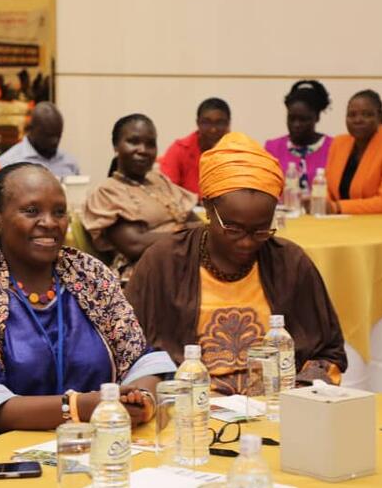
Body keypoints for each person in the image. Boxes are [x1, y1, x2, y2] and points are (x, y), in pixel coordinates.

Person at [0, 162, 172, 464]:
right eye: (32, 211)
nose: (50, 222)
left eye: (58, 212)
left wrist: (141, 399)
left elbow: (140, 359)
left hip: (94, 448)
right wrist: (80, 407)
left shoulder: (89, 274)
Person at [126, 132, 347, 395]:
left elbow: (329, 353)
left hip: (276, 408)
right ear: (207, 208)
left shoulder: (291, 263)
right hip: (191, 411)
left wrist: (300, 390)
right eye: (233, 229)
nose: (246, 242)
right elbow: (129, 348)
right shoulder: (163, 262)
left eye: (261, 231)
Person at [82, 114, 199, 281]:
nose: (143, 150)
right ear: (116, 146)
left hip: (183, 262)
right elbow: (135, 245)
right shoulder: (107, 192)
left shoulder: (160, 181)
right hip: (143, 274)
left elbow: (197, 223)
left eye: (150, 144)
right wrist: (185, 230)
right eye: (134, 141)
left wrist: (184, 231)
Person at [323, 89, 382, 215]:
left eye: (366, 114)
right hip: (336, 223)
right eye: (352, 115)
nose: (358, 120)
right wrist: (325, 204)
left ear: (379, 116)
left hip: (377, 226)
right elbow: (325, 188)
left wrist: (338, 207)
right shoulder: (339, 143)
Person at [264, 80, 333, 193]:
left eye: (303, 119)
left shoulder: (334, 147)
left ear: (317, 117)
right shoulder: (272, 148)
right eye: (292, 118)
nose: (296, 124)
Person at [159, 97, 231, 196]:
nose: (213, 129)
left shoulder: (237, 152)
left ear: (228, 124)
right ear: (198, 123)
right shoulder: (180, 149)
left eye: (219, 123)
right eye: (206, 122)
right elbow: (166, 191)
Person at [0, 101, 80, 177]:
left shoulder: (70, 163)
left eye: (58, 136)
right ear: (31, 130)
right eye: (48, 136)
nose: (54, 142)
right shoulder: (8, 163)